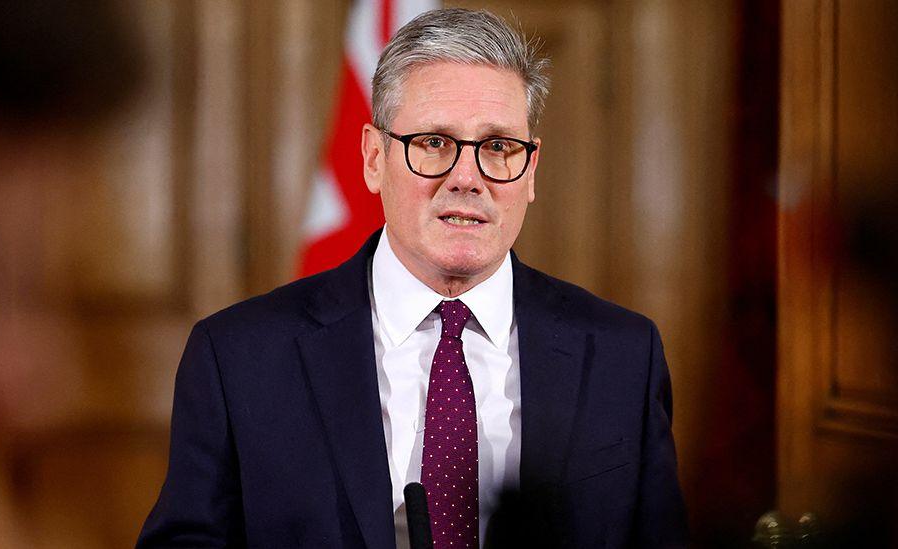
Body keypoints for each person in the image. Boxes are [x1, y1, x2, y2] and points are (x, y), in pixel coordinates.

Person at [138, 8, 686, 548]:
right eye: (434, 144)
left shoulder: (623, 357)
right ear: (374, 158)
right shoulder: (239, 357)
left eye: (498, 147)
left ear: (531, 170)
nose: (467, 179)